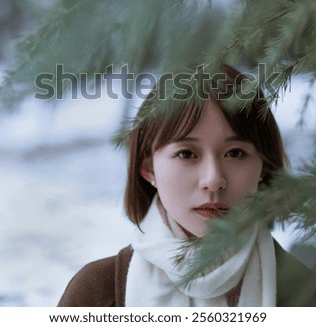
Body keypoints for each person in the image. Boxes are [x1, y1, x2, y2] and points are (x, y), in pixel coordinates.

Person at [58, 64, 316, 307]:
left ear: (264, 166)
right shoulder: (96, 295)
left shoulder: (304, 295)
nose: (213, 179)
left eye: (235, 153)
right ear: (148, 168)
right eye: (186, 154)